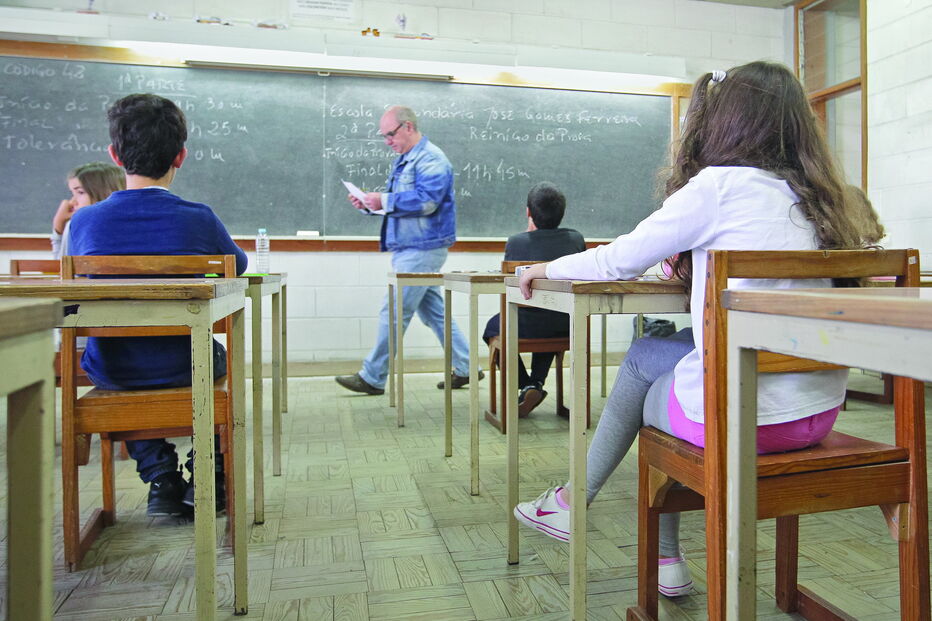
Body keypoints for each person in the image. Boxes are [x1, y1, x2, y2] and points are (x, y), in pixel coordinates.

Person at [511, 62, 884, 598]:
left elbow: (619, 260)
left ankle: (592, 514)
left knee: (643, 364)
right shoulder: (825, 199)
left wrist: (544, 268)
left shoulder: (719, 186)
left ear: (727, 121)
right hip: (816, 414)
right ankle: (614, 528)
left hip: (745, 422)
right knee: (663, 356)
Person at [69, 93, 248, 517]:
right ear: (181, 156)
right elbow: (236, 267)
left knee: (118, 363)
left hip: (115, 369)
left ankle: (161, 478)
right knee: (217, 358)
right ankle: (210, 473)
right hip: (187, 365)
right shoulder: (199, 218)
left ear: (115, 155)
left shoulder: (84, 221)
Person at [336, 105, 478, 395]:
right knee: (434, 313)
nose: (387, 141)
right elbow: (399, 204)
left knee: (394, 310)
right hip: (412, 247)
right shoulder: (406, 159)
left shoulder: (432, 159)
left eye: (390, 134)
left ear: (408, 127)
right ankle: (467, 367)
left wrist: (384, 201)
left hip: (423, 248)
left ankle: (372, 377)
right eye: (384, 136)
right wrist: (370, 205)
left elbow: (427, 202)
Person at [482, 182, 585, 416]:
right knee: (550, 317)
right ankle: (535, 384)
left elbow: (511, 288)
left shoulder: (517, 242)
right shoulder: (574, 239)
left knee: (492, 328)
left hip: (525, 325)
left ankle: (527, 384)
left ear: (528, 212)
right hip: (566, 324)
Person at [51, 161, 124, 258]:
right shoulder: (131, 222)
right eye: (72, 193)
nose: (72, 202)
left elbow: (62, 268)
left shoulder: (77, 225)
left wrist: (58, 230)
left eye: (80, 192)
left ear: (105, 193)